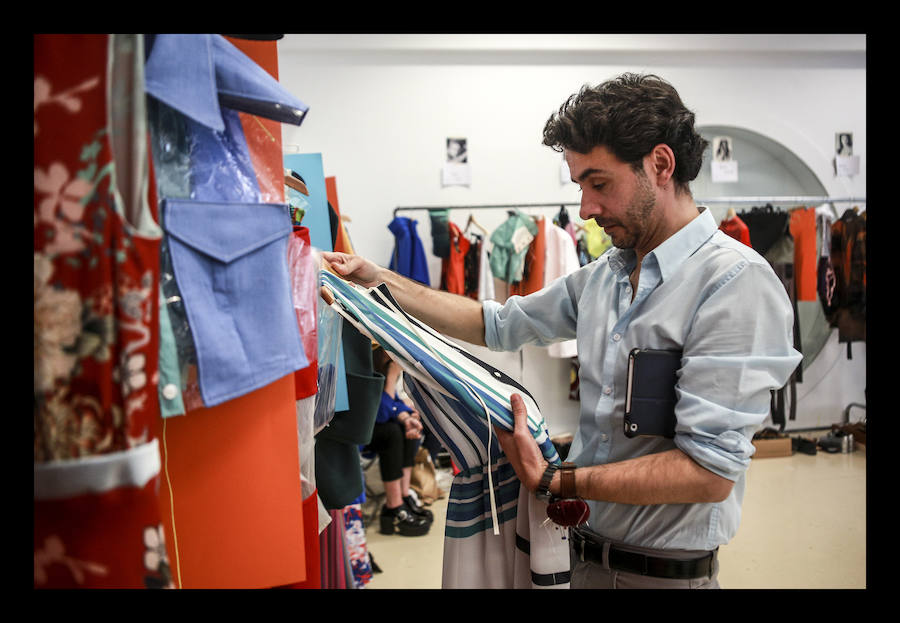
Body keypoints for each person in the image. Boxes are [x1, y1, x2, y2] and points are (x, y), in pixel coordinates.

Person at [323, 73, 801, 588]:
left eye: (599, 183)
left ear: (661, 165)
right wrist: (380, 281)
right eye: (580, 187)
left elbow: (708, 474)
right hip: (580, 561)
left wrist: (555, 477)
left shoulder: (734, 284)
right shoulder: (607, 276)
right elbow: (499, 323)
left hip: (662, 577)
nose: (585, 210)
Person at [365, 345, 433, 536]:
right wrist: (392, 376)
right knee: (392, 432)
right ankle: (393, 506)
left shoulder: (383, 366)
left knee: (407, 428)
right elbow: (380, 412)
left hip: (376, 428)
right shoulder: (369, 367)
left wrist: (407, 418)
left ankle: (403, 496)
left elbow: (393, 403)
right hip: (360, 437)